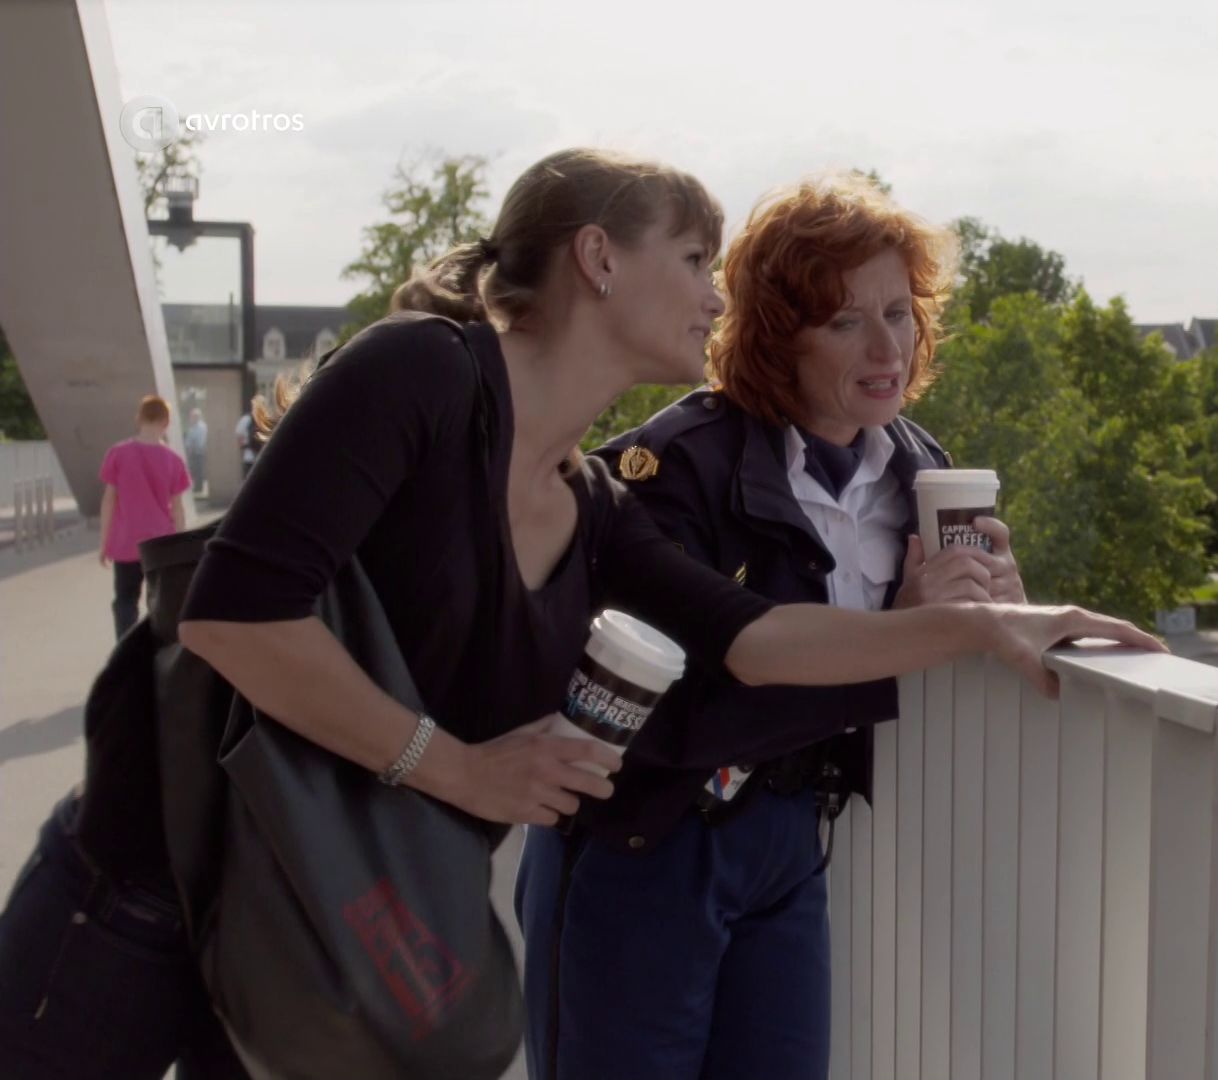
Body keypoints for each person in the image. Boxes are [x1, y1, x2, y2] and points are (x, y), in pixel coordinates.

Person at [0, 148, 1158, 1080]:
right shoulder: (421, 372)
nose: (718, 295)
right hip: (150, 882)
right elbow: (236, 617)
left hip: (321, 922)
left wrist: (990, 623)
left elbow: (755, 641)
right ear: (599, 258)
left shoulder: (592, 503)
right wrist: (458, 768)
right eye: (694, 258)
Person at [517, 174, 1025, 1080]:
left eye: (900, 314)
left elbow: (944, 633)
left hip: (792, 837)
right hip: (647, 840)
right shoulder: (674, 469)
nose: (887, 348)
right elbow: (654, 712)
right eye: (845, 321)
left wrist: (998, 603)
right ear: (777, 333)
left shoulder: (920, 473)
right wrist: (905, 637)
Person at [98, 394, 190, 638]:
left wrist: (104, 542)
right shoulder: (174, 460)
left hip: (126, 542)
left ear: (138, 418)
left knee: (125, 600)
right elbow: (177, 508)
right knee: (159, 604)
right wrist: (181, 548)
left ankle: (124, 648)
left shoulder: (118, 454)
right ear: (166, 422)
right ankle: (157, 650)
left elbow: (109, 501)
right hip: (160, 545)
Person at [233, 398, 261, 482]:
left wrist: (243, 446)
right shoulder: (264, 419)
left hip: (249, 456)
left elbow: (238, 433)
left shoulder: (246, 419)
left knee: (249, 481)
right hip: (261, 456)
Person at [184, 407, 208, 496]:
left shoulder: (202, 427)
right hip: (192, 451)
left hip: (198, 451)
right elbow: (189, 439)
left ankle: (199, 487)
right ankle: (195, 486)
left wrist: (195, 448)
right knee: (193, 470)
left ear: (197, 417)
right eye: (191, 416)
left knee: (199, 470)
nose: (191, 418)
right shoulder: (192, 427)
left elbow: (201, 440)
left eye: (193, 416)